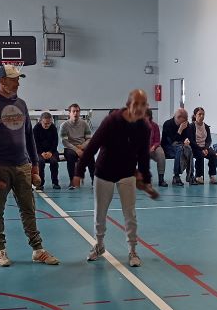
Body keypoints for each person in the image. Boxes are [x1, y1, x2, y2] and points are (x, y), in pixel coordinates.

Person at [0, 65, 60, 267]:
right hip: (0, 167)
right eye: (14, 79)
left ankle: (38, 250)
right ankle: (0, 251)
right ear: (2, 81)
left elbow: (29, 136)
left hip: (22, 166)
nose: (18, 83)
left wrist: (35, 165)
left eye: (18, 79)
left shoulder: (21, 104)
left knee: (28, 209)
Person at [73, 89, 157, 267]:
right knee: (100, 213)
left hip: (127, 173)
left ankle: (132, 250)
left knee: (130, 213)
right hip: (104, 172)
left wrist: (147, 181)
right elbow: (93, 146)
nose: (139, 108)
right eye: (136, 104)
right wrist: (79, 172)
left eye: (143, 105)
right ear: (128, 105)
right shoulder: (112, 121)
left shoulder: (144, 128)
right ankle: (99, 245)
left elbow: (143, 156)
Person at [61, 103, 94, 189]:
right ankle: (72, 181)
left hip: (82, 146)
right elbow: (65, 141)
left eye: (77, 111)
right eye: (73, 111)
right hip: (70, 147)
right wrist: (76, 149)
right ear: (70, 113)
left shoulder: (84, 124)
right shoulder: (64, 125)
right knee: (70, 156)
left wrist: (82, 146)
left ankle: (94, 181)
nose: (75, 113)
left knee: (90, 156)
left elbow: (89, 139)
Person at [160, 108, 194, 186]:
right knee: (180, 149)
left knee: (189, 149)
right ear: (178, 118)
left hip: (180, 146)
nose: (186, 122)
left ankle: (190, 175)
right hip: (167, 148)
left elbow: (189, 137)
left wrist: (187, 140)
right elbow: (173, 141)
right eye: (184, 120)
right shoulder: (167, 124)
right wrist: (180, 130)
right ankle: (176, 176)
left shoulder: (186, 124)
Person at [184, 107, 217, 185]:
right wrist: (201, 149)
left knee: (213, 154)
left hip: (204, 147)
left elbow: (209, 140)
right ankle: (199, 176)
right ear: (195, 115)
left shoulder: (206, 127)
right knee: (200, 155)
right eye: (199, 114)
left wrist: (206, 148)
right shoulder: (191, 126)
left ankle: (212, 175)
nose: (201, 116)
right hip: (195, 147)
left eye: (203, 114)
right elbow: (191, 141)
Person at [32, 112, 61, 190]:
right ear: (40, 121)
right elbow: (35, 143)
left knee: (54, 162)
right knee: (40, 162)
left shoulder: (53, 128)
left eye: (49, 123)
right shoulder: (36, 129)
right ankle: (40, 183)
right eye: (45, 123)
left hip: (52, 151)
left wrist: (50, 152)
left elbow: (55, 142)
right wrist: (42, 152)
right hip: (39, 151)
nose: (47, 125)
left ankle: (55, 182)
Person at [145, 110, 168, 187]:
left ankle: (161, 179)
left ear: (149, 116)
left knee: (161, 154)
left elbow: (157, 140)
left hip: (153, 147)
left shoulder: (154, 126)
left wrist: (154, 147)